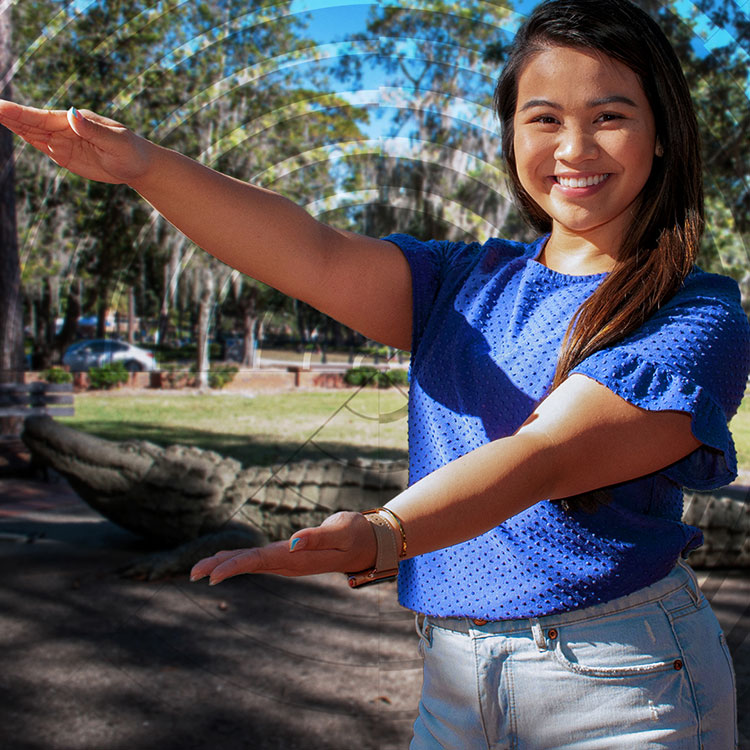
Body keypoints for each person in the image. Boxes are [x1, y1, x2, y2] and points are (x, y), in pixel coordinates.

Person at [1, 0, 748, 745]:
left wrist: (386, 535)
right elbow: (310, 253)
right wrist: (144, 166)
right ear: (512, 135)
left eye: (610, 116)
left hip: (623, 684)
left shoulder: (696, 313)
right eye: (544, 118)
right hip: (453, 678)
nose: (574, 147)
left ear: (662, 136)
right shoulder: (461, 281)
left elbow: (542, 456)